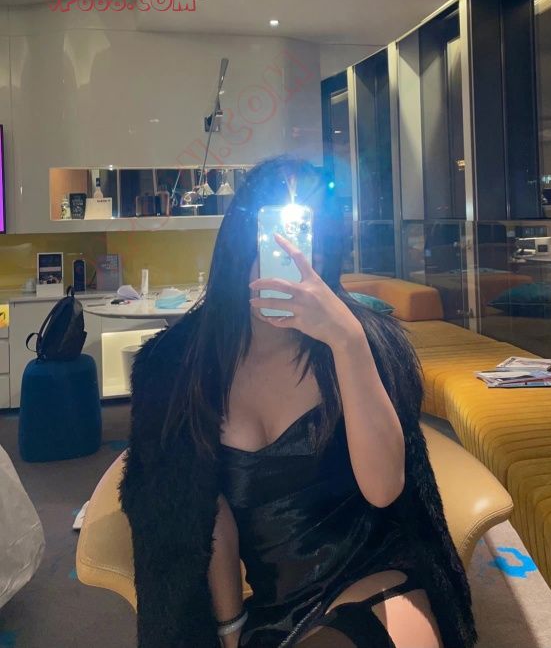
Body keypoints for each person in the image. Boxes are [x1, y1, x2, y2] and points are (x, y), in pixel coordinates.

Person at [119, 156, 477, 648]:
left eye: (305, 242)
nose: (287, 262)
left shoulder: (364, 342)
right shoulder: (181, 367)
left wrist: (348, 344)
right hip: (271, 606)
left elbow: (384, 489)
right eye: (271, 240)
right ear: (241, 243)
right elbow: (201, 512)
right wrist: (229, 630)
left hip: (374, 578)